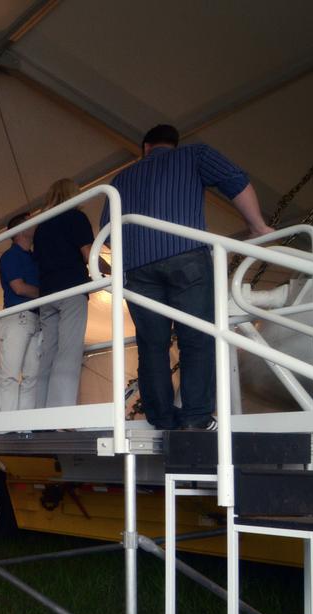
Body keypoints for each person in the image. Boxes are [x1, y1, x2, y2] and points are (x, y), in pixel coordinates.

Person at [104, 124, 273, 430]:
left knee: (152, 346)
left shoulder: (121, 179)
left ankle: (161, 419)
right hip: (186, 257)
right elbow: (235, 180)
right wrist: (258, 227)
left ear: (145, 148)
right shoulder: (194, 155)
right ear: (174, 144)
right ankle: (195, 417)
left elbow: (107, 236)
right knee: (196, 338)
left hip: (139, 271)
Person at [32, 178, 94, 409]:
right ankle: (61, 410)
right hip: (72, 287)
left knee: (49, 352)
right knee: (69, 349)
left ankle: (42, 410)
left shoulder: (41, 227)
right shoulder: (76, 218)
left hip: (47, 292)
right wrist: (109, 269)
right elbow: (89, 254)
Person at [0, 213, 43, 412]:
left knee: (32, 375)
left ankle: (24, 425)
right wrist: (47, 293)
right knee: (11, 374)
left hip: (33, 316)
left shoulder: (34, 257)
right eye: (30, 222)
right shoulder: (10, 256)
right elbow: (19, 288)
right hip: (18, 316)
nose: (36, 225)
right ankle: (5, 427)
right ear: (21, 230)